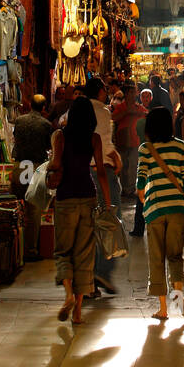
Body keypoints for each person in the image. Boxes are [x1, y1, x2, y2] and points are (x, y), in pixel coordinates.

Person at [48, 96, 112, 324]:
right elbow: (101, 172)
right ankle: (77, 313)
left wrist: (51, 169)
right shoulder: (94, 138)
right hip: (88, 195)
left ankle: (68, 296)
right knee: (84, 255)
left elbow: (55, 165)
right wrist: (108, 202)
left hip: (66, 197)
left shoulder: (60, 136)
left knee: (63, 251)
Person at [136, 106, 184, 320]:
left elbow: (140, 182)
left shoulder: (146, 149)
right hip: (178, 210)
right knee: (175, 256)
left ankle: (163, 309)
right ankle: (178, 296)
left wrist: (146, 200)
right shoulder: (180, 146)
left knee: (157, 258)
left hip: (155, 209)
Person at [85, 77, 124, 297]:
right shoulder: (103, 112)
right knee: (110, 220)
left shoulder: (75, 112)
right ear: (100, 92)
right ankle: (102, 271)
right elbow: (104, 144)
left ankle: (89, 279)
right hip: (101, 172)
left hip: (82, 173)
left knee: (88, 225)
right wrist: (116, 157)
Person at [112, 84, 147, 199]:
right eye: (130, 93)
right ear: (126, 94)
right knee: (123, 166)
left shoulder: (138, 108)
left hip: (135, 140)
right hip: (122, 139)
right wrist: (127, 112)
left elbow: (147, 115)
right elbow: (113, 118)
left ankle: (130, 189)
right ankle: (125, 188)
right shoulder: (121, 107)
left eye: (134, 92)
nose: (133, 95)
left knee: (132, 165)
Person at [130, 89, 153, 237]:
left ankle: (139, 227)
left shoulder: (139, 122)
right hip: (156, 162)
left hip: (143, 157)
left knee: (142, 194)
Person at [12, 95, 53, 170]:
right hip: (37, 165)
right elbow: (48, 145)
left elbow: (15, 138)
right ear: (43, 107)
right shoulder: (46, 124)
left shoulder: (19, 120)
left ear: (30, 105)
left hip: (19, 163)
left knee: (19, 181)